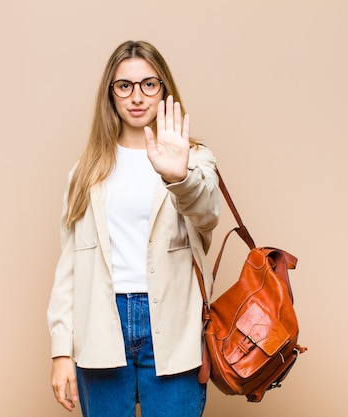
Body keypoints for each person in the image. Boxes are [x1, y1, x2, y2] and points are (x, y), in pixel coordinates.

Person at [47, 40, 220, 417]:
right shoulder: (87, 170)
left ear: (164, 90)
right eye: (124, 85)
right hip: (101, 326)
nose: (136, 97)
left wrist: (179, 176)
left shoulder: (194, 158)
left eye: (149, 84)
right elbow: (69, 265)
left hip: (176, 326)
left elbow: (207, 215)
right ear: (110, 94)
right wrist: (62, 349)